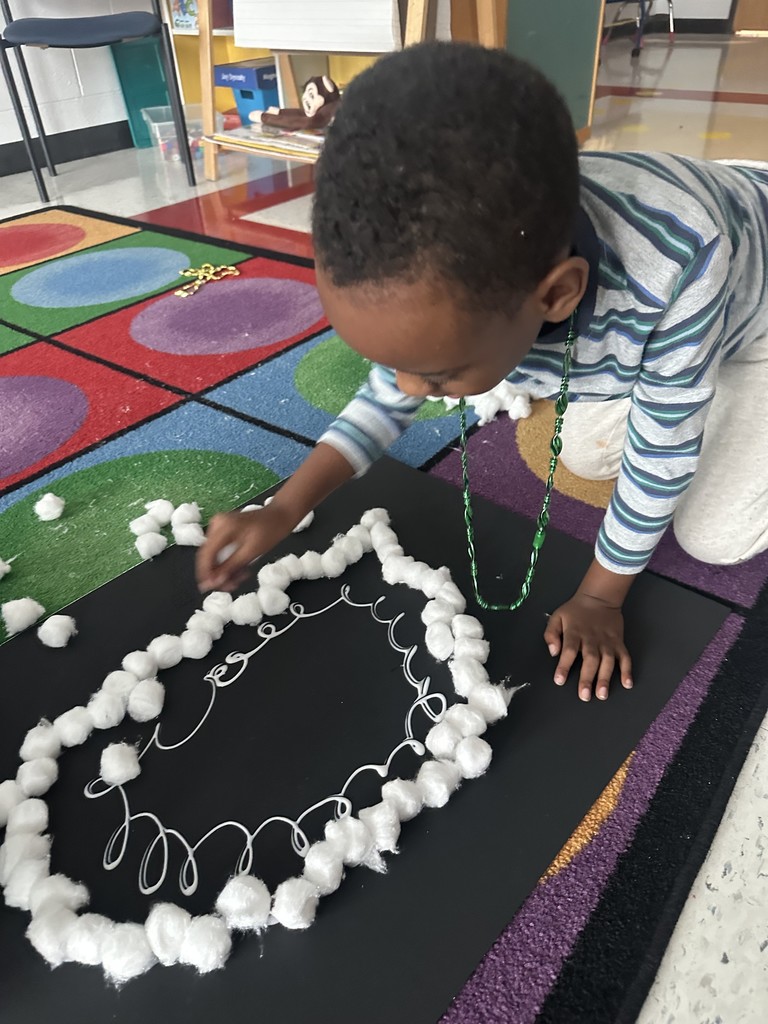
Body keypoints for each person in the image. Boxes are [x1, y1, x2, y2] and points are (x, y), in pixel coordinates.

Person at [197, 42, 768, 703]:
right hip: (656, 313)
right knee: (587, 456)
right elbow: (389, 392)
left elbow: (664, 447)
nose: (411, 391)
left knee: (713, 537)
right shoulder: (475, 260)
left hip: (751, 314)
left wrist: (599, 598)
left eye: (438, 376)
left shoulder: (679, 263)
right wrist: (285, 507)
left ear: (557, 295)